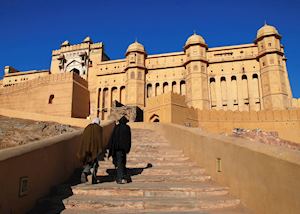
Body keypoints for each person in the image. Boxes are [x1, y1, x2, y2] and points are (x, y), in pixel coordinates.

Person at [77, 118, 104, 184]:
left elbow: (84, 138)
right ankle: (92, 177)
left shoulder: (87, 127)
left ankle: (85, 172)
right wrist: (100, 148)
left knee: (88, 161)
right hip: (95, 148)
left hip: (86, 148)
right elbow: (99, 139)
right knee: (95, 163)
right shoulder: (99, 128)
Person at [109, 116, 132, 184]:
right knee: (121, 163)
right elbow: (128, 139)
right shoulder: (127, 128)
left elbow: (113, 138)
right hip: (123, 149)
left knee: (119, 163)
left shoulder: (117, 127)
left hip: (116, 148)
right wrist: (127, 148)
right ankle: (121, 177)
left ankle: (121, 176)